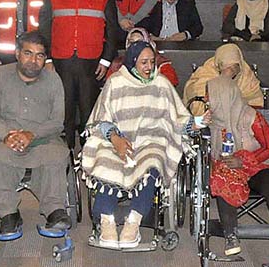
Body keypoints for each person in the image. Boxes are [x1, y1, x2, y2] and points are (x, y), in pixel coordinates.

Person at [82, 41, 205, 248]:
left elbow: (179, 120)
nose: (149, 67)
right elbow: (100, 120)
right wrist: (115, 139)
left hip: (151, 140)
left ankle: (133, 222)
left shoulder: (162, 84)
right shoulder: (116, 83)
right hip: (118, 138)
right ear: (132, 62)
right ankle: (107, 221)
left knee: (154, 160)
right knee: (105, 160)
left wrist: (200, 122)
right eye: (143, 62)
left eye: (151, 62)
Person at [0, 31, 71, 237]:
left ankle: (54, 211)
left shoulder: (53, 80)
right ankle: (9, 215)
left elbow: (57, 121)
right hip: (7, 139)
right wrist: (7, 135)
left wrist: (32, 135)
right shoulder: (1, 75)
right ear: (17, 53)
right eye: (28, 53)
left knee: (57, 155)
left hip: (42, 138)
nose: (33, 60)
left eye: (40, 55)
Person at [206, 75, 269, 267]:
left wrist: (244, 160)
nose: (207, 99)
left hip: (258, 165)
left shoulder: (250, 116)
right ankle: (230, 234)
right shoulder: (214, 119)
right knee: (223, 175)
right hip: (230, 168)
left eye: (210, 95)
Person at [38, 0, 118, 149]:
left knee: (88, 111)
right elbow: (44, 25)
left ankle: (89, 154)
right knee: (62, 111)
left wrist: (106, 60)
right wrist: (46, 59)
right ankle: (64, 155)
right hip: (60, 61)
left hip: (91, 62)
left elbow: (112, 28)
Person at [184, 43, 264, 110]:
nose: (230, 71)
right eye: (226, 67)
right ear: (218, 66)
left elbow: (256, 104)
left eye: (234, 67)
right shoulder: (205, 74)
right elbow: (197, 108)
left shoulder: (246, 76)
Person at [135, 0, 203, 41]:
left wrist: (186, 35)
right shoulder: (152, 3)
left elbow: (198, 27)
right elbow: (140, 25)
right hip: (155, 42)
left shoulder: (187, 4)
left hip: (180, 43)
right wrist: (148, 36)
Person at [105, 27, 179, 86]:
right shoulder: (118, 63)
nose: (135, 45)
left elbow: (169, 84)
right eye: (132, 42)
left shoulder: (160, 63)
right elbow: (110, 85)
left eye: (139, 41)